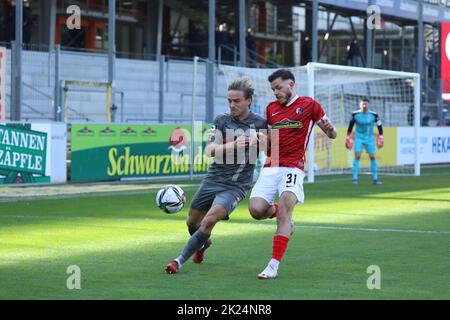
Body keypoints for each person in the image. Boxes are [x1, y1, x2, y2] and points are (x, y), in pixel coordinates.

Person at [165, 78, 268, 274]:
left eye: (237, 101)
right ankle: (203, 244)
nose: (232, 105)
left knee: (209, 220)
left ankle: (177, 261)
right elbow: (210, 150)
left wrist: (264, 142)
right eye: (229, 100)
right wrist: (234, 144)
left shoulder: (260, 123)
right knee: (191, 223)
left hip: (235, 186)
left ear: (249, 101)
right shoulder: (222, 121)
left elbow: (271, 149)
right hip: (212, 179)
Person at [248, 69, 337, 279]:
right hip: (271, 166)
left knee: (286, 208)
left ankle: (273, 265)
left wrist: (331, 130)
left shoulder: (309, 105)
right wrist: (260, 140)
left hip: (293, 166)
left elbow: (332, 133)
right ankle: (283, 217)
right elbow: (270, 140)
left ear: (291, 84)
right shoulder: (271, 108)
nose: (275, 92)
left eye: (278, 87)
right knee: (256, 210)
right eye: (273, 89)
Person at [345, 98, 384, 185]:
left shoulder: (374, 115)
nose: (364, 106)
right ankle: (354, 179)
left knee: (372, 157)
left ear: (368, 105)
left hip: (369, 138)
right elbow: (350, 126)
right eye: (363, 104)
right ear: (360, 105)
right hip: (359, 138)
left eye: (366, 104)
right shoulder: (355, 114)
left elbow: (379, 125)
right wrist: (348, 137)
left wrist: (381, 136)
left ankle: (375, 179)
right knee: (357, 156)